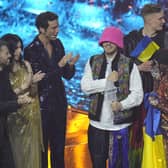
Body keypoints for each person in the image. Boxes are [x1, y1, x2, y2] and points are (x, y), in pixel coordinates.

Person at [81, 26, 143, 168]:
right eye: (105, 41)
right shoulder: (93, 61)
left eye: (111, 41)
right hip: (97, 126)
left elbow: (138, 94)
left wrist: (122, 105)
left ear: (118, 43)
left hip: (120, 126)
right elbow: (85, 87)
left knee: (120, 164)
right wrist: (107, 81)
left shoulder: (129, 64)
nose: (107, 43)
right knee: (97, 163)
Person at [24, 11, 79, 168]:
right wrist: (59, 66)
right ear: (42, 29)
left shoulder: (58, 44)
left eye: (58, 27)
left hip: (59, 103)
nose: (57, 31)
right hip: (41, 106)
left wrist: (70, 65)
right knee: (41, 150)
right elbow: (39, 81)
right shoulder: (31, 50)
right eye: (53, 28)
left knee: (58, 148)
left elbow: (67, 76)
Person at [123, 3, 168, 168]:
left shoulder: (166, 39)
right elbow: (118, 68)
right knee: (137, 143)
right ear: (148, 20)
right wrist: (138, 68)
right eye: (160, 18)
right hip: (135, 102)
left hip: (161, 104)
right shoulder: (130, 40)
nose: (164, 21)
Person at [1, 33, 45, 168]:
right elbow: (6, 96)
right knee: (14, 154)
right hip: (12, 116)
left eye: (21, 47)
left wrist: (33, 82)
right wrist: (24, 87)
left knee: (30, 153)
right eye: (16, 48)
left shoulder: (26, 65)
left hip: (29, 114)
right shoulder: (4, 70)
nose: (19, 51)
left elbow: (33, 92)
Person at [0, 39, 31, 168]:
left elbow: (7, 96)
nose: (10, 55)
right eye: (6, 53)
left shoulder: (4, 73)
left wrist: (19, 99)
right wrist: (17, 102)